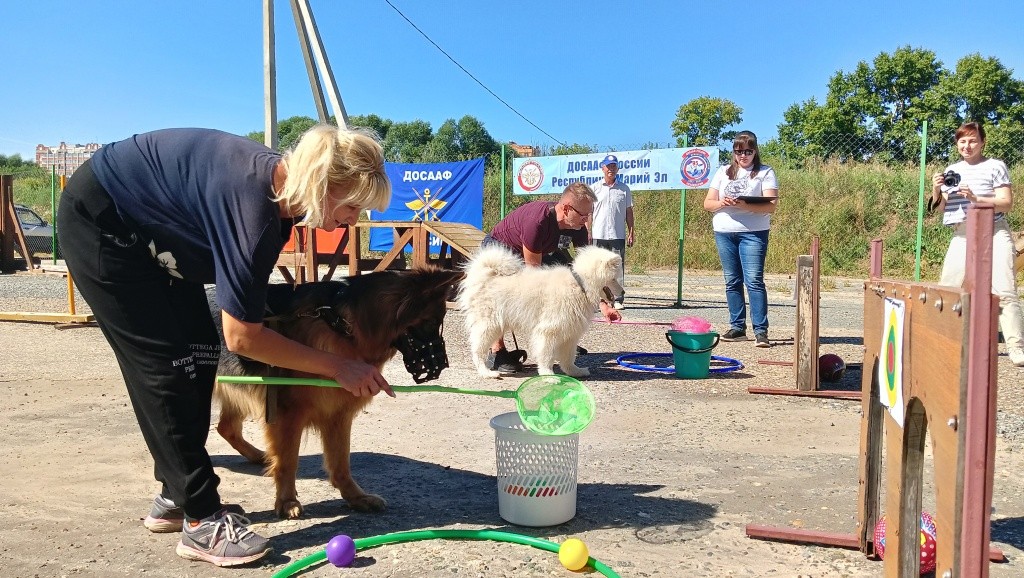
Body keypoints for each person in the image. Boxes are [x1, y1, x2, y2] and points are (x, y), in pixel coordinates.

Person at [57, 125, 395, 567]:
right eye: (354, 206)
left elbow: (240, 307)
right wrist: (337, 366)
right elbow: (242, 337)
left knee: (199, 348)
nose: (356, 219)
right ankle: (200, 521)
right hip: (103, 222)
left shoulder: (280, 204)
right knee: (166, 367)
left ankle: (175, 495)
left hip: (152, 234)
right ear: (322, 186)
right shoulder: (253, 210)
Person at [482, 182, 622, 371]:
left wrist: (603, 304)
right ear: (566, 209)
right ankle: (497, 352)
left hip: (543, 250)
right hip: (503, 249)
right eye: (583, 215)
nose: (586, 220)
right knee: (504, 298)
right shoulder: (537, 222)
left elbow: (587, 274)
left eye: (589, 214)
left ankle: (562, 340)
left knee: (565, 274)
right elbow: (534, 277)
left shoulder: (578, 227)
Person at [929, 121, 1024, 367]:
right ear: (957, 144)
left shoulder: (995, 166)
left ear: (982, 142)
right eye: (962, 141)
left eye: (972, 140)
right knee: (948, 288)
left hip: (993, 230)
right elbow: (941, 209)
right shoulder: (952, 169)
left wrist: (976, 198)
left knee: (1005, 287)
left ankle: (1016, 348)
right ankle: (942, 341)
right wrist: (936, 190)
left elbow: (1006, 202)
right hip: (962, 232)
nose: (967, 145)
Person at [703, 130, 778, 348]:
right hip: (724, 230)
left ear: (755, 151)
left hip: (753, 232)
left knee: (753, 280)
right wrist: (723, 203)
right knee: (732, 280)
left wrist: (745, 205)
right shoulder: (723, 172)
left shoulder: (764, 172)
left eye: (747, 151)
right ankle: (737, 327)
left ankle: (761, 331)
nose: (743, 156)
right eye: (738, 151)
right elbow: (708, 203)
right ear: (734, 152)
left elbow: (771, 205)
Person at [590, 154, 635, 310]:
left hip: (617, 235)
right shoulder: (595, 188)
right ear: (603, 168)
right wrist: (588, 231)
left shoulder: (624, 189)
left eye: (614, 166)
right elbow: (590, 212)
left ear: (617, 168)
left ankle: (617, 299)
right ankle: (599, 300)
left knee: (617, 269)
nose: (611, 169)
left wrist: (631, 231)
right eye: (608, 166)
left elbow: (629, 212)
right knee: (598, 268)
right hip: (598, 234)